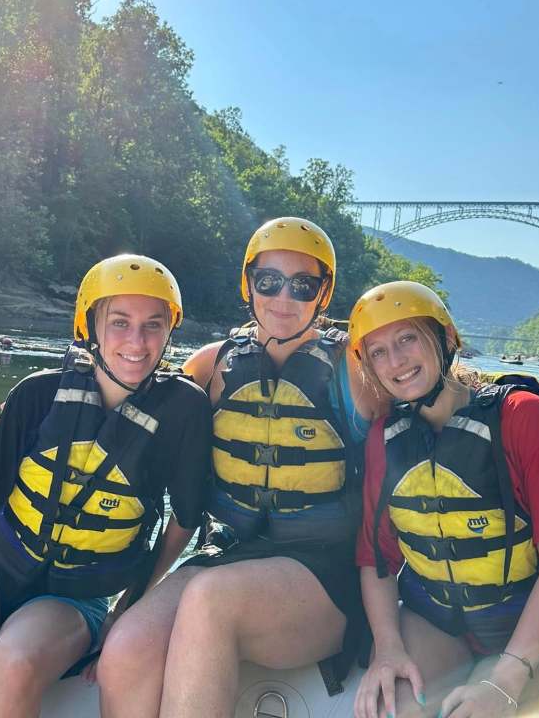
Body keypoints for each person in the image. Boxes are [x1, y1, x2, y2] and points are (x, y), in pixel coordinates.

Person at [0, 255, 212, 718]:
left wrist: (128, 607)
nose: (136, 342)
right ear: (90, 326)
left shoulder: (184, 414)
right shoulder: (35, 397)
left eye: (153, 325)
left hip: (75, 599)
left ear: (169, 332)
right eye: (120, 322)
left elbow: (184, 520)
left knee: (15, 661)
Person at [97, 217, 389, 718]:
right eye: (269, 281)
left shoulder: (359, 372)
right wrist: (48, 398)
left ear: (324, 294)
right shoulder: (212, 366)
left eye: (303, 285)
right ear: (248, 283)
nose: (283, 297)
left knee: (212, 601)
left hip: (323, 576)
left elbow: (433, 410)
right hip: (226, 554)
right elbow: (124, 396)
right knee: (127, 647)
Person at [348, 281, 539, 718]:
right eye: (378, 352)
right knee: (395, 709)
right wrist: (387, 649)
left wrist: (504, 681)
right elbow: (377, 562)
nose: (397, 361)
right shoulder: (382, 440)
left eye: (408, 338)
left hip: (527, 633)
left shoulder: (521, 417)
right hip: (437, 623)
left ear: (445, 339)